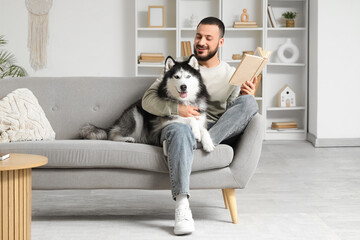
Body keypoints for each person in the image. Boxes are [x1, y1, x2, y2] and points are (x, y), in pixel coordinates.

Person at [141, 17, 258, 235]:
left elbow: (234, 111)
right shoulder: (179, 69)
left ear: (220, 43)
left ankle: (204, 140)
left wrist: (246, 94)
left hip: (213, 126)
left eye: (208, 38)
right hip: (179, 125)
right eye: (198, 36)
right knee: (181, 130)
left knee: (250, 103)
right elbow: (148, 101)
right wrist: (179, 110)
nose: (201, 42)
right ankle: (182, 206)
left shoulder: (231, 74)